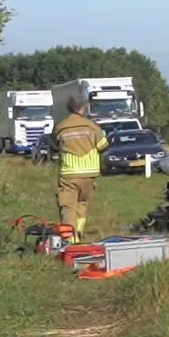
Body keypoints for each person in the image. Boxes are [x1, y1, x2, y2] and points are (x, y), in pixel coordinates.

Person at [52, 95, 108, 239]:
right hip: (89, 173)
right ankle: (78, 233)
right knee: (82, 204)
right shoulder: (91, 126)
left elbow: (53, 146)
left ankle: (70, 240)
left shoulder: (60, 127)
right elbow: (103, 146)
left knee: (68, 207)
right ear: (83, 108)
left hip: (69, 173)